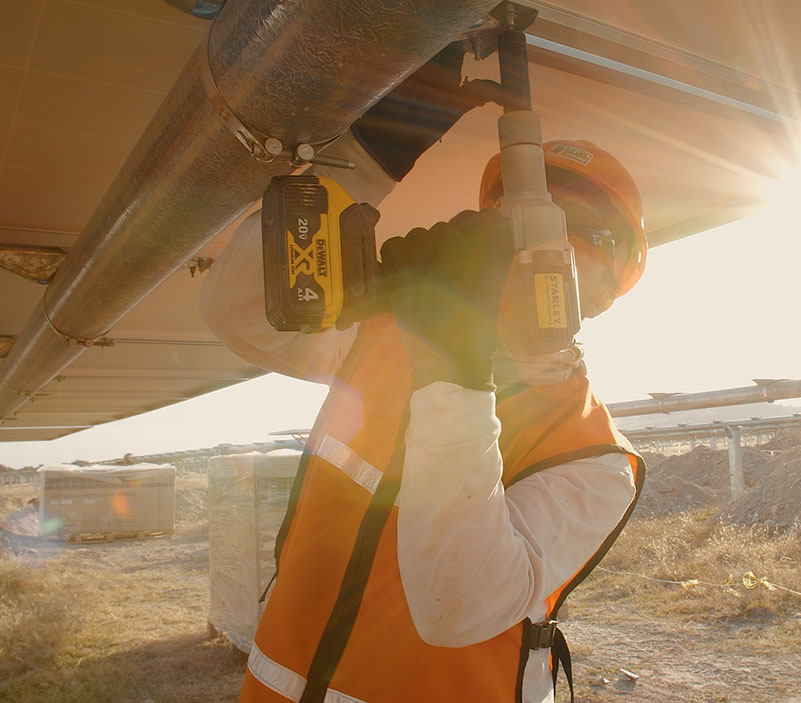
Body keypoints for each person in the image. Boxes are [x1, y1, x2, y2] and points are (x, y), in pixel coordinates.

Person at [200, 47, 647, 703]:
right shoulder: (388, 336)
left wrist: (453, 362)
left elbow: (456, 606)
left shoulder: (594, 458)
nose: (535, 239)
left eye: (580, 229)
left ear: (609, 286)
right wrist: (370, 157)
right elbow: (235, 308)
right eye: (518, 212)